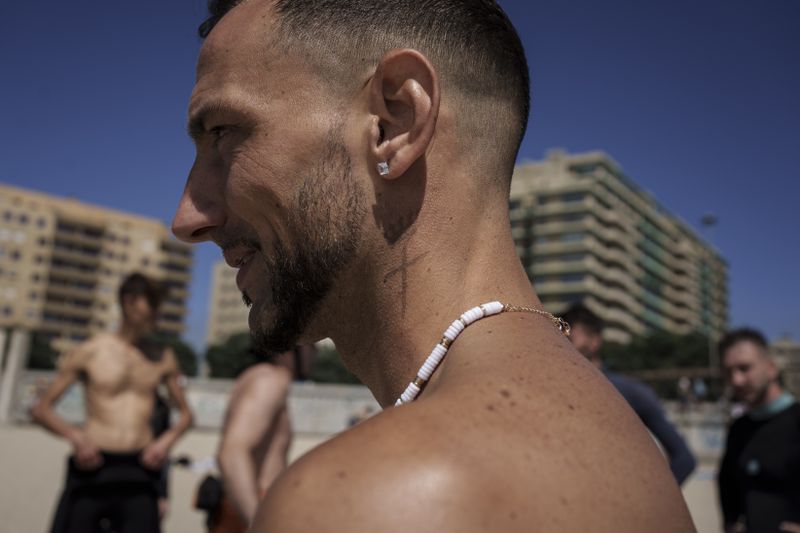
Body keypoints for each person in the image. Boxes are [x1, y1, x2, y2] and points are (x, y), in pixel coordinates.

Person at [171, 1, 694, 531]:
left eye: (223, 133)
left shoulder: (376, 499)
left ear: (395, 121)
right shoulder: (613, 437)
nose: (187, 217)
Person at [31, 272, 194, 533]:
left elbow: (186, 415)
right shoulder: (91, 350)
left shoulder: (162, 356)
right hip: (93, 466)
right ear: (129, 302)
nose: (157, 312)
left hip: (141, 470)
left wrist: (165, 443)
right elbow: (42, 409)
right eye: (151, 303)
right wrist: (75, 436)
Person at [561, 303, 697, 486]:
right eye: (558, 337)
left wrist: (651, 504)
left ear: (595, 341)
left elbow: (685, 459)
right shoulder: (558, 390)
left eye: (570, 339)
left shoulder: (629, 392)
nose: (560, 346)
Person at [211, 347, 312, 532]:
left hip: (247, 504)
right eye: (311, 346)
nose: (314, 355)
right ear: (289, 349)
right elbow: (230, 453)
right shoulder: (271, 380)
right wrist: (258, 522)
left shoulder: (256, 377)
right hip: (254, 504)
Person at [717, 328, 800, 533]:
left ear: (771, 368)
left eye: (744, 368)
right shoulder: (738, 428)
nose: (736, 380)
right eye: (729, 372)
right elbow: (727, 487)